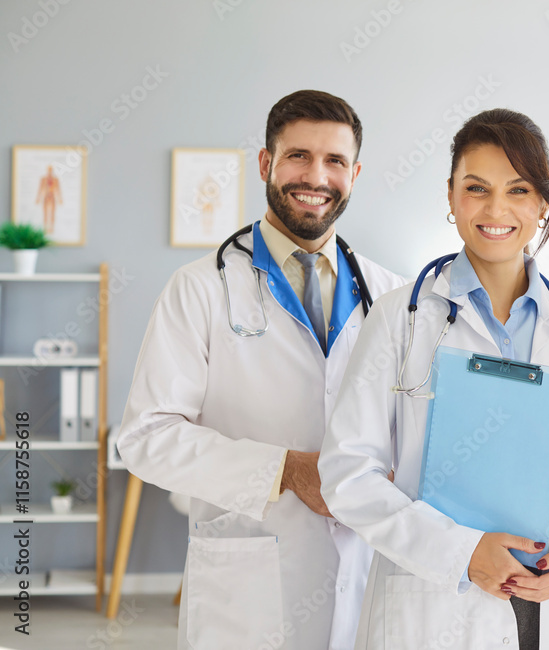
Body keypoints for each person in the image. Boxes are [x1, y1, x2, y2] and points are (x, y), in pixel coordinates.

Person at [318, 109, 549, 650]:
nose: (496, 209)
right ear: (452, 196)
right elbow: (348, 475)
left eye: (518, 190)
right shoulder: (399, 319)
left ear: (542, 203)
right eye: (476, 188)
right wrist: (462, 553)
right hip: (433, 601)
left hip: (547, 605)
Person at [117, 90, 406, 650]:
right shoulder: (200, 288)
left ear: (356, 173)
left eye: (335, 161)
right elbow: (146, 439)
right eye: (298, 156)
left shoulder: (392, 295)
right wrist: (287, 469)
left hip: (366, 570)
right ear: (266, 163)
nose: (316, 176)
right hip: (248, 580)